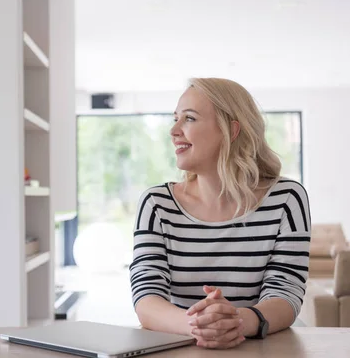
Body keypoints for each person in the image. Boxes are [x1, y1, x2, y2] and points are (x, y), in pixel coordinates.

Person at [129, 78, 311, 350]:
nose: (174, 130)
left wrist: (238, 322)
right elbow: (146, 296)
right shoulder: (156, 203)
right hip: (181, 346)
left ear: (231, 130)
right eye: (175, 118)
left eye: (189, 118)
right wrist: (198, 326)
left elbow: (286, 292)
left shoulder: (286, 198)